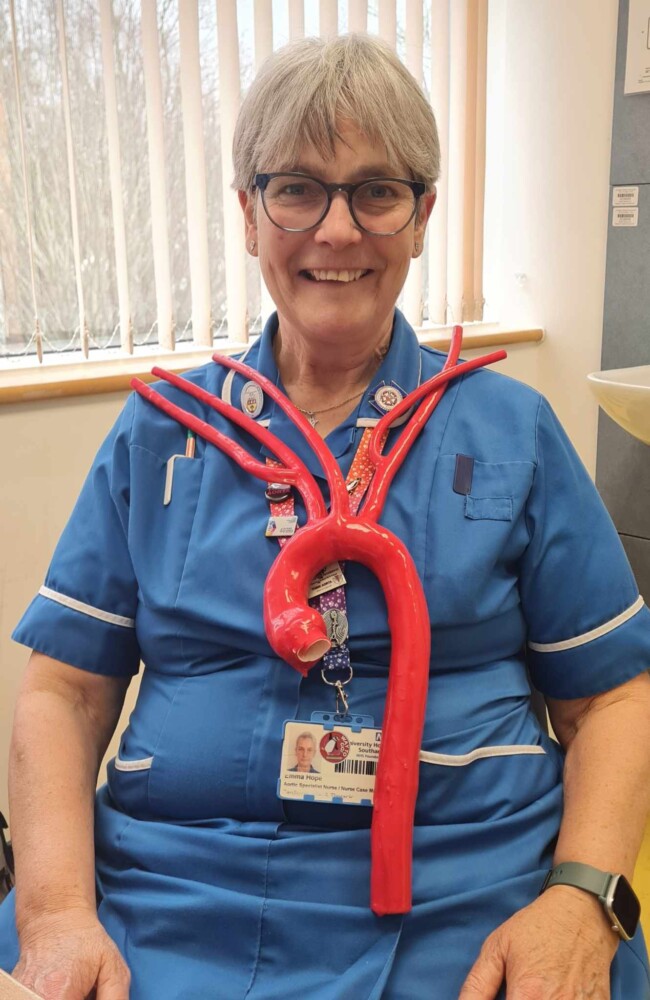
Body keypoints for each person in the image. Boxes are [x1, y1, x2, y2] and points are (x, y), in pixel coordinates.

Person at [1, 31, 649, 1000]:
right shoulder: (160, 434)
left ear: (422, 214)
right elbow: (65, 693)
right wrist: (57, 914)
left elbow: (608, 697)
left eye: (376, 191)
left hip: (466, 897)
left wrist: (579, 897)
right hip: (171, 893)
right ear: (248, 215)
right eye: (296, 188)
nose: (336, 231)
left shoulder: (508, 428)